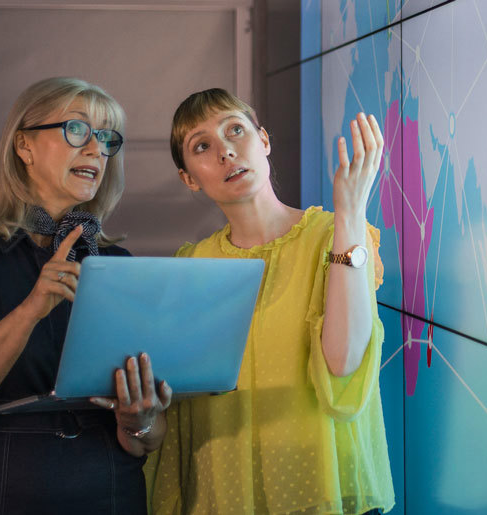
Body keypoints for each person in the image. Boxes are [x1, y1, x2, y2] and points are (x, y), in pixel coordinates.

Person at [0, 77, 172, 514]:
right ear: (23, 145)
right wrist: (30, 311)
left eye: (106, 138)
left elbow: (147, 443)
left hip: (109, 489)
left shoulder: (118, 262)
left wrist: (139, 421)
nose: (96, 149)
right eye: (77, 129)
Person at [145, 88, 394, 514]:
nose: (225, 151)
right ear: (189, 177)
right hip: (224, 493)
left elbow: (344, 364)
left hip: (324, 488)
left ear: (263, 140)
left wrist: (350, 213)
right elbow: (176, 408)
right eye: (202, 146)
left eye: (235, 131)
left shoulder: (337, 234)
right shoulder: (191, 266)